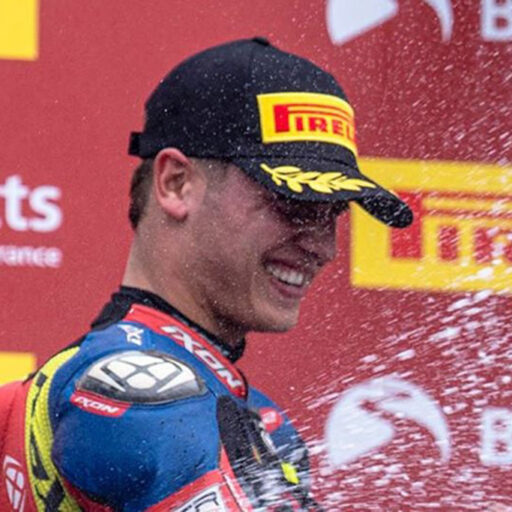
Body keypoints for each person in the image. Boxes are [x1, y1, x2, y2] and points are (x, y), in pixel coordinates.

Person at [0, 37, 412, 511]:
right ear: (176, 183)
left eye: (334, 212)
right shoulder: (142, 396)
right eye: (293, 203)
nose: (325, 247)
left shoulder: (258, 418)